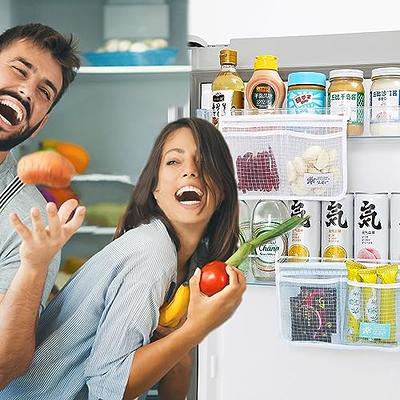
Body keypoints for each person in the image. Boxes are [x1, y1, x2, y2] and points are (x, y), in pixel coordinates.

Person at [0, 117, 246, 400]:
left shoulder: (189, 262)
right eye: (174, 162)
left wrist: (183, 344)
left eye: (203, 162)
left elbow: (178, 363)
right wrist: (197, 328)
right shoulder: (152, 252)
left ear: (223, 189)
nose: (190, 171)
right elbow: (108, 388)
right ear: (155, 188)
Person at [0, 23, 84, 388]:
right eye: (19, 70)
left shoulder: (28, 220)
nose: (25, 92)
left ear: (38, 125)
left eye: (44, 91)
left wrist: (34, 267)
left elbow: (6, 366)